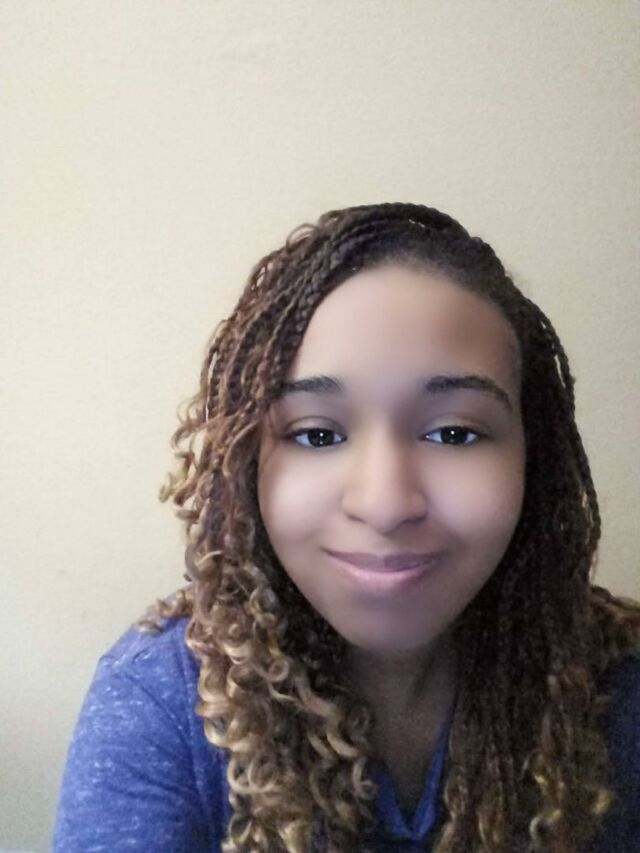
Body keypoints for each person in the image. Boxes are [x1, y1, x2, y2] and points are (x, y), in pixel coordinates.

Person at [53, 203, 640, 852]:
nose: (384, 504)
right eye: (317, 434)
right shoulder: (161, 700)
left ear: (534, 458)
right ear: (245, 465)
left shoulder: (620, 688)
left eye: (453, 432)